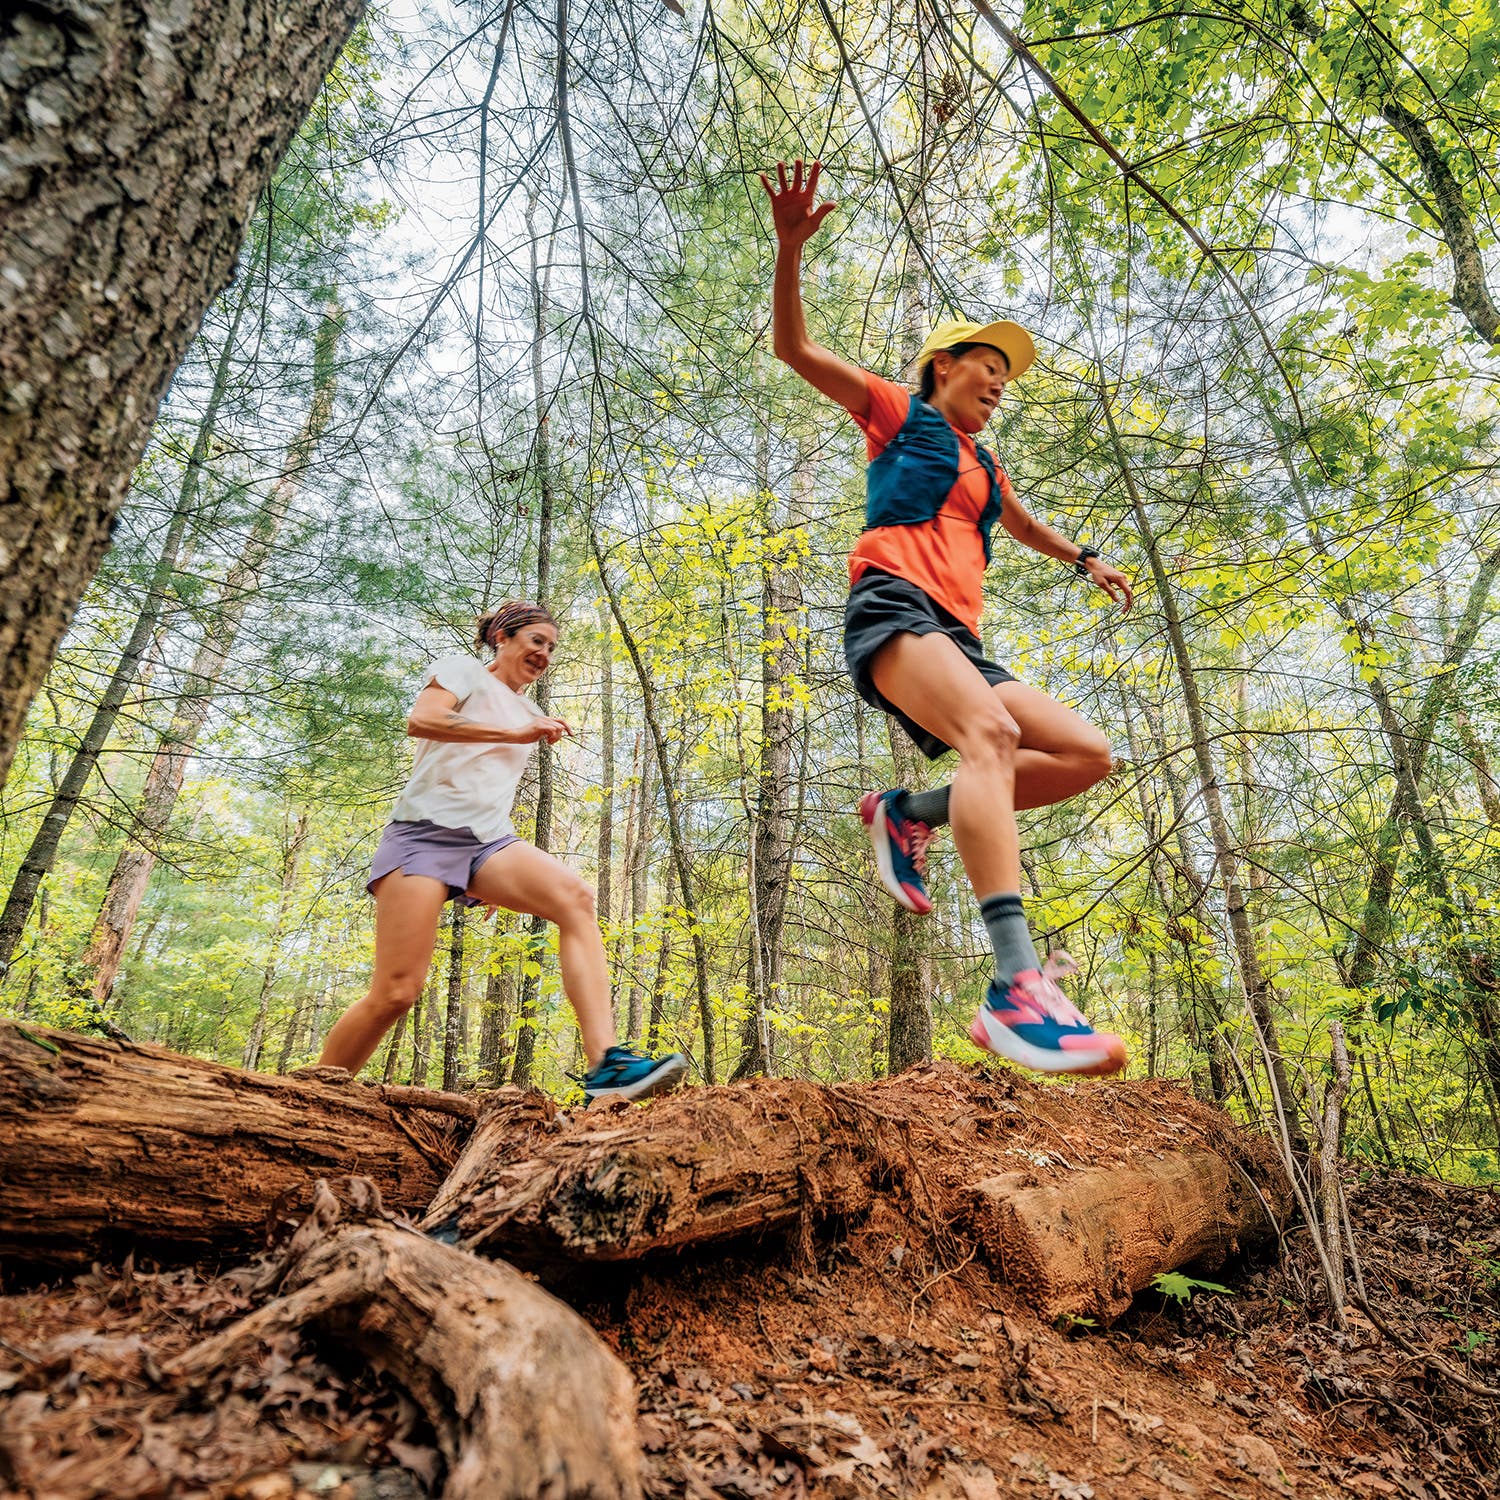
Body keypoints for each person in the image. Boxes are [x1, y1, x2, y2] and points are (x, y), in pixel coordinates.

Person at [763, 158, 1133, 1077]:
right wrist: (788, 253)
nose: (1000, 382)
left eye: (1008, 374)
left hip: (960, 639)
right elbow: (795, 353)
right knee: (993, 736)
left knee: (1086, 754)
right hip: (893, 606)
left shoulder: (988, 463)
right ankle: (1016, 987)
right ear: (944, 366)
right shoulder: (899, 412)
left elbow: (1026, 524)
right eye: (987, 365)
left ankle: (907, 811)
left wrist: (1084, 559)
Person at [318, 600, 688, 1104]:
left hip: (487, 843)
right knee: (397, 991)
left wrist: (490, 874)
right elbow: (423, 720)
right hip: (423, 836)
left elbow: (487, 785)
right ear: (502, 637)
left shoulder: (531, 711)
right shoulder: (463, 671)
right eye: (536, 641)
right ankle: (312, 1091)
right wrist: (515, 732)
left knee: (575, 899)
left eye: (552, 648)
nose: (544, 654)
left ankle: (606, 1065)